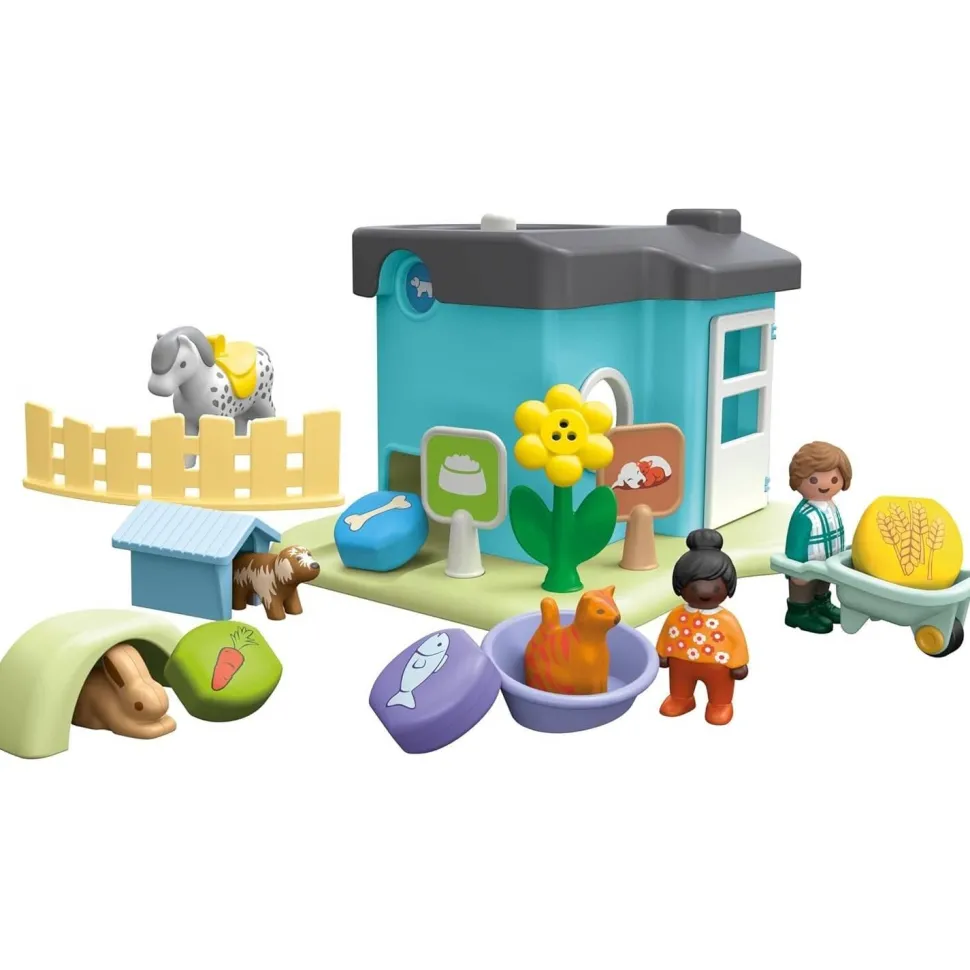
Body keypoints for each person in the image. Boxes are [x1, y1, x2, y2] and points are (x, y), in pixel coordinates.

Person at [657, 529, 748, 726]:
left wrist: (739, 664)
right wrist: (662, 653)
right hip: (680, 661)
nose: (704, 591)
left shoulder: (726, 620)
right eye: (694, 586)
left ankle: (720, 704)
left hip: (718, 665)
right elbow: (666, 633)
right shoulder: (676, 614)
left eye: (715, 586)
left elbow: (737, 642)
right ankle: (681, 698)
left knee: (720, 687)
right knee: (679, 683)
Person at [784, 441, 853, 634]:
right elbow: (796, 542)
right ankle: (799, 612)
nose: (824, 485)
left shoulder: (831, 507)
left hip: (828, 560)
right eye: (813, 480)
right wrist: (796, 568)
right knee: (804, 587)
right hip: (806, 564)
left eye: (834, 479)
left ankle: (821, 604)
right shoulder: (804, 514)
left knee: (823, 582)